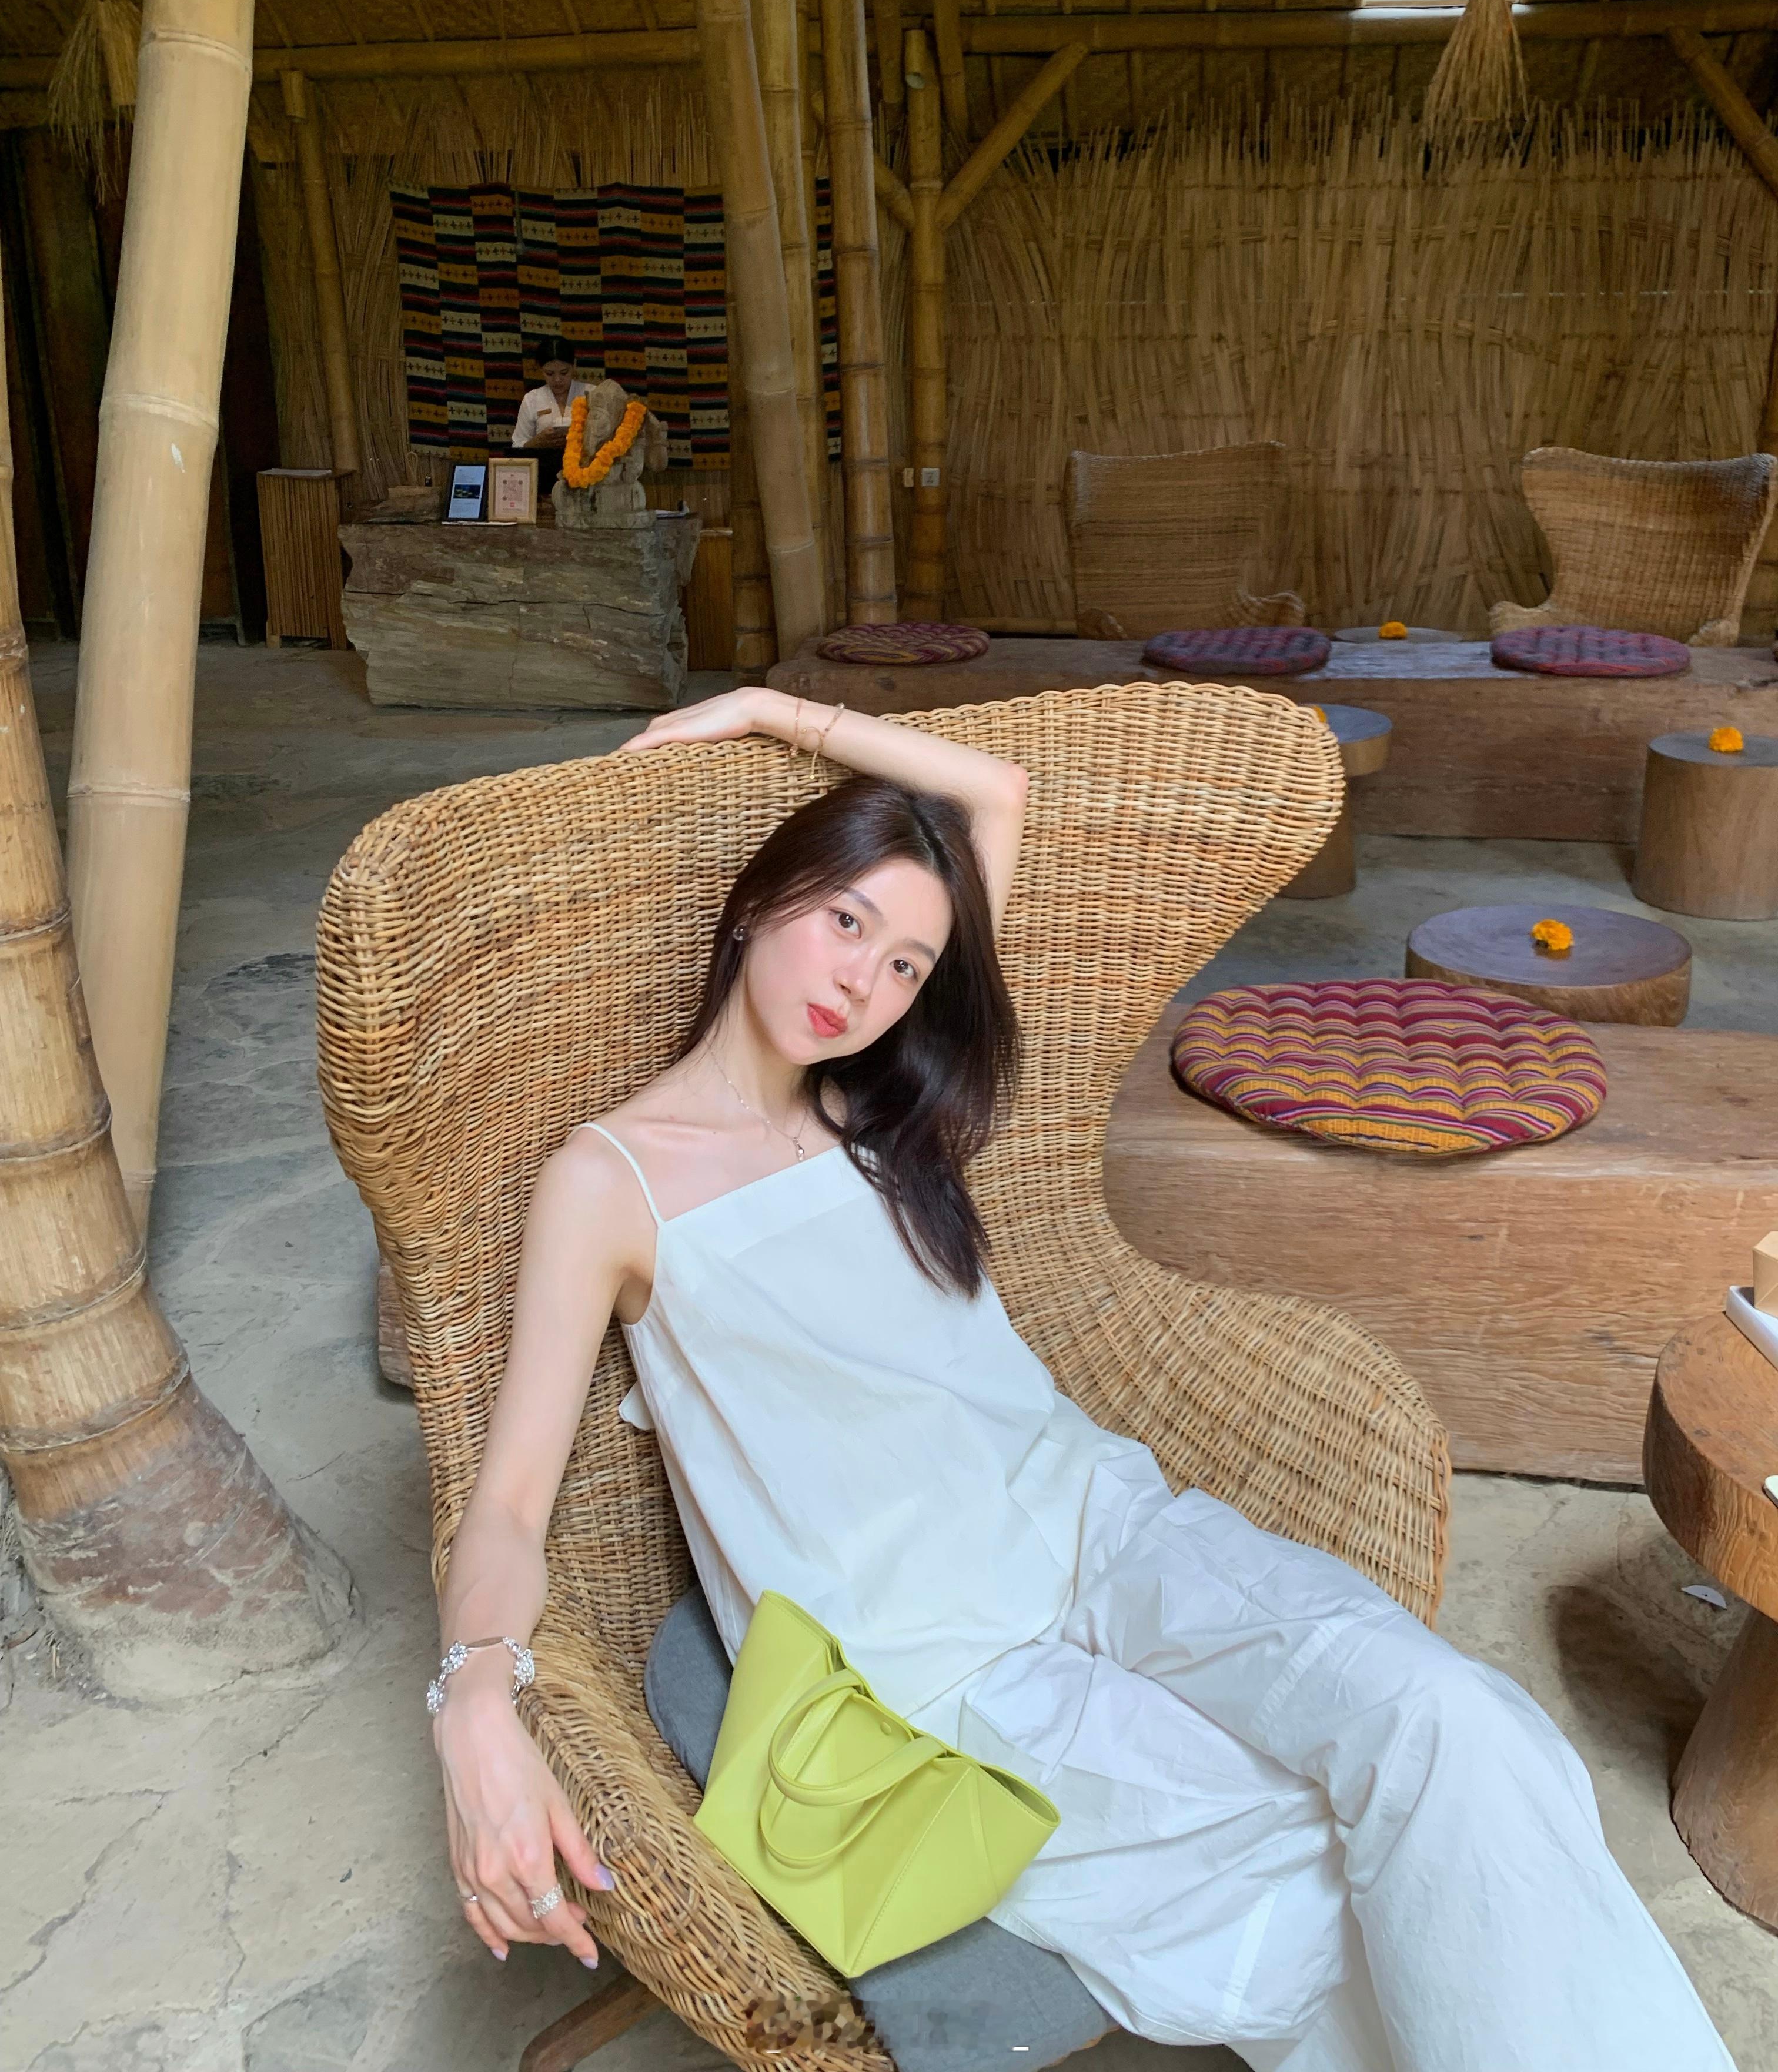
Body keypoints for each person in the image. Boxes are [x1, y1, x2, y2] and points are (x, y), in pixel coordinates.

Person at [426, 687, 1737, 2072]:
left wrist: (776, 708)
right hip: (945, 1669)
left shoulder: (881, 1109)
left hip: (1113, 1531)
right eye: (846, 920)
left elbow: (992, 793)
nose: (862, 984)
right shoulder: (612, 1184)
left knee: (1455, 1729)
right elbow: (505, 1507)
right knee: (1308, 1889)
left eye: (907, 965)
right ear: (760, 901)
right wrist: (475, 1699)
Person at [510, 334, 593, 467]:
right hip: (543, 470)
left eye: (564, 373)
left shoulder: (592, 394)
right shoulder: (532, 399)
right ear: (541, 369)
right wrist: (537, 443)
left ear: (574, 365)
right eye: (550, 374)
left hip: (587, 470)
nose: (557, 380)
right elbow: (517, 448)